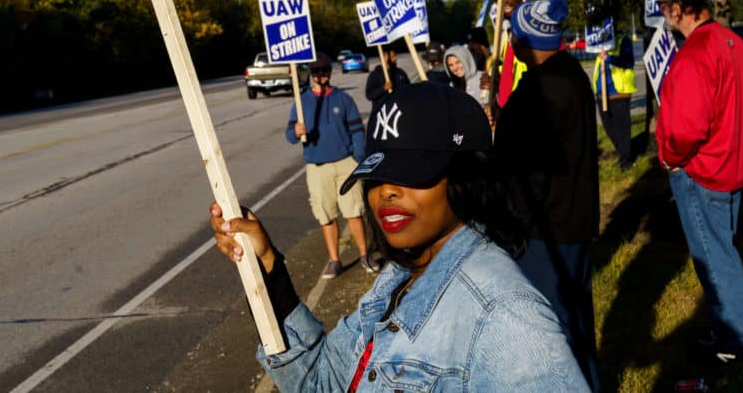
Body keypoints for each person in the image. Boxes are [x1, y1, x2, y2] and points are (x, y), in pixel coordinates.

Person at [211, 83, 590, 392]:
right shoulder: (401, 276)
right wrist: (266, 267)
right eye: (377, 174)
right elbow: (320, 381)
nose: (386, 192)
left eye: (413, 172)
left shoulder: (507, 318)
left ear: (467, 178)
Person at [494, 0, 601, 391]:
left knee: (549, 333)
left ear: (523, 39)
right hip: (571, 220)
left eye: (512, 36)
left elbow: (527, 168)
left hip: (544, 229)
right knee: (575, 324)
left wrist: (510, 224)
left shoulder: (542, 91)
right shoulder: (567, 74)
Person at [655, 0, 743, 364]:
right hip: (731, 162)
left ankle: (734, 343)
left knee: (715, 259)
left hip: (704, 171)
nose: (663, 15)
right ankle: (728, 331)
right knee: (723, 251)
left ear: (679, 9)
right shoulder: (731, 42)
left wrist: (671, 156)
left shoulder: (696, 53)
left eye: (665, 8)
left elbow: (688, 127)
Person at [286, 55, 378, 279]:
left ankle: (365, 255)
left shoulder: (343, 99)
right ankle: (335, 260)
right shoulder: (301, 102)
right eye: (316, 71)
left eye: (325, 70)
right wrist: (296, 132)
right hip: (317, 168)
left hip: (346, 163)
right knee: (326, 215)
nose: (321, 75)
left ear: (330, 71)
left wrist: (359, 160)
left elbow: (357, 131)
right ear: (310, 73)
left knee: (354, 212)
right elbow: (290, 136)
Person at [592, 32, 637, 170]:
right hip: (602, 95)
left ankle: (626, 160)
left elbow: (628, 62)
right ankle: (623, 152)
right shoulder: (599, 45)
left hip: (618, 92)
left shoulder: (623, 40)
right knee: (609, 128)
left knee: (622, 128)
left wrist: (609, 58)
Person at [485, 0, 527, 107]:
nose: (503, 1)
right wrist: (494, 82)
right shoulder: (505, 36)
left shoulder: (535, 29)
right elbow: (508, 78)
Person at [364, 47, 410, 112]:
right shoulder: (374, 75)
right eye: (393, 56)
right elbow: (369, 95)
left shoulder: (400, 73)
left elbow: (409, 89)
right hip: (382, 112)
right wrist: (383, 88)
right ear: (385, 58)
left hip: (400, 111)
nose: (395, 59)